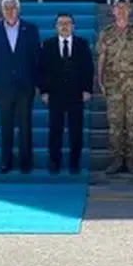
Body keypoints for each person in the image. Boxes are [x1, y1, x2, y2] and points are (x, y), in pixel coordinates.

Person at [0, 0, 41, 173]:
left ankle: (26, 161)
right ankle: (5, 161)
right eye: (6, 8)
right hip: (3, 85)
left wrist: (39, 83)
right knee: (6, 125)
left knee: (25, 124)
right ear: (1, 11)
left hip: (25, 85)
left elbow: (37, 58)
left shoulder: (30, 29)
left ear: (19, 10)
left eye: (13, 8)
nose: (10, 11)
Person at [96, 0, 133, 175]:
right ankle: (117, 159)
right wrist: (100, 80)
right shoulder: (106, 32)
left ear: (129, 10)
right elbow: (102, 58)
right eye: (118, 8)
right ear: (113, 11)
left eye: (124, 7)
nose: (121, 11)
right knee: (115, 123)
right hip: (113, 83)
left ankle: (132, 160)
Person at [38, 12, 93, 174]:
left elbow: (88, 68)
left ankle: (74, 163)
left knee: (76, 130)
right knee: (55, 130)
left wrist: (87, 89)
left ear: (73, 26)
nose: (64, 26)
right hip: (55, 94)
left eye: (67, 23)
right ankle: (54, 162)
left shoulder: (82, 44)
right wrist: (44, 91)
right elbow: (42, 70)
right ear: (56, 27)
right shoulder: (47, 44)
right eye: (61, 23)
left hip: (76, 94)